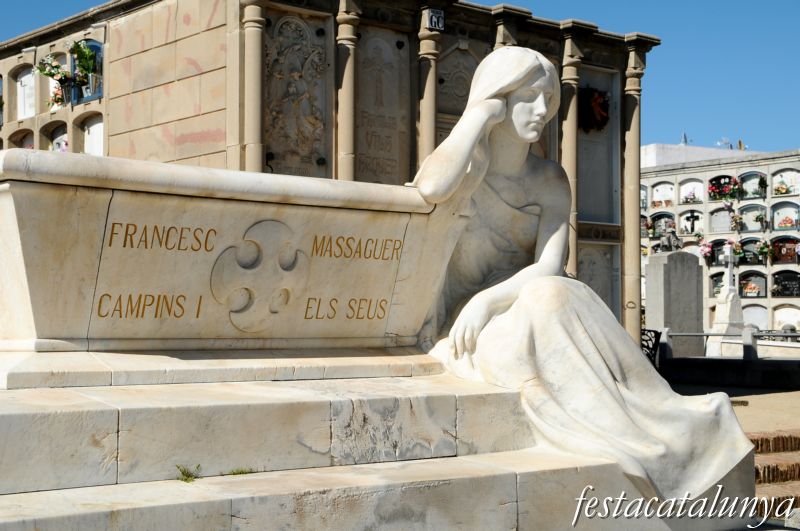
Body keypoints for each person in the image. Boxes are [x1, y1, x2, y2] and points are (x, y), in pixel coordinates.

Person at [412, 46, 752, 501]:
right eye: (528, 97)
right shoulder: (465, 172)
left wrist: (490, 299)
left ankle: (660, 434)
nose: (541, 111)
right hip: (471, 329)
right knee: (549, 297)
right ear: (498, 98)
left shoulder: (551, 179)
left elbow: (549, 265)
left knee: (553, 293)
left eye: (548, 99)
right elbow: (429, 190)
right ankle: (659, 443)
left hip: (519, 306)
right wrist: (477, 116)